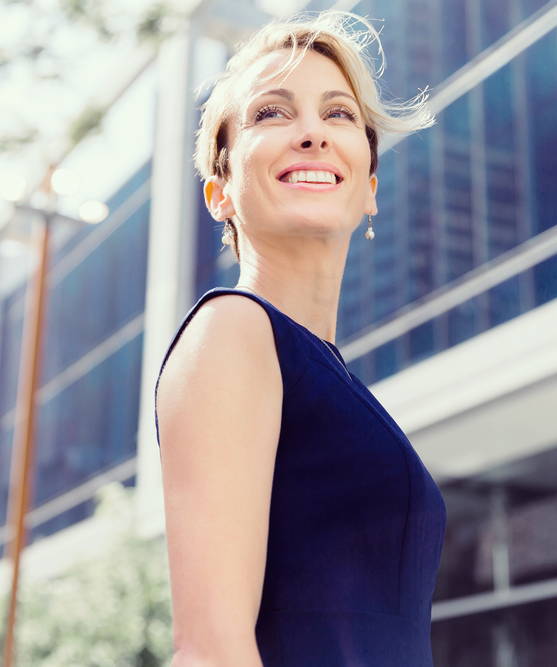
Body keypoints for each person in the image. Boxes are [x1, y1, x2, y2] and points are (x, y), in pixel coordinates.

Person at [155, 11, 446, 667]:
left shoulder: (328, 376)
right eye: (271, 113)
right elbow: (211, 652)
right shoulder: (234, 331)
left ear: (369, 186)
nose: (312, 133)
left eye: (338, 114)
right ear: (220, 191)